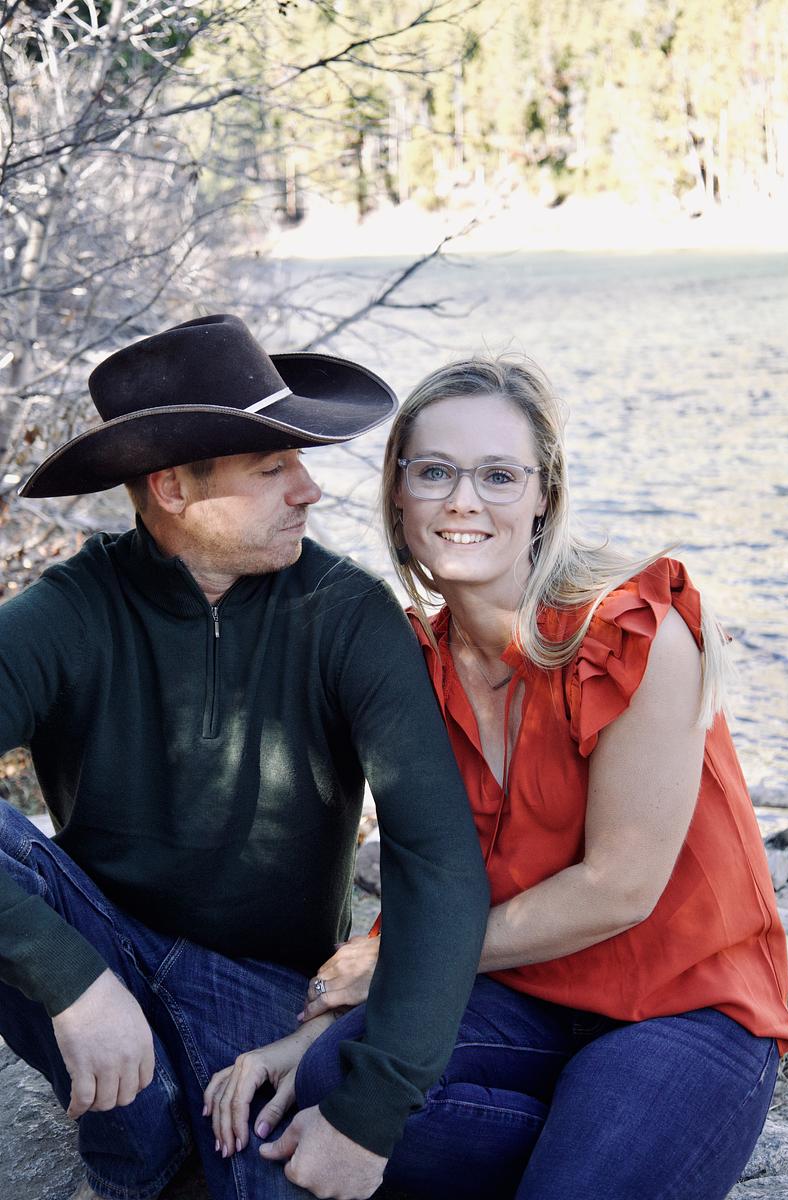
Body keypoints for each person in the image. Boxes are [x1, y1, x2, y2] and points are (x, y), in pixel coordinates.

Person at [215, 355, 788, 1200]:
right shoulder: (413, 667)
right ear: (398, 494)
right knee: (334, 1079)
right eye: (434, 472)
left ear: (543, 497)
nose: (463, 501)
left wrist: (392, 965)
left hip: (687, 1004)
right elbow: (434, 873)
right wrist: (305, 1041)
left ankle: (633, 1138)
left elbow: (618, 888)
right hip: (522, 998)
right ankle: (604, 1142)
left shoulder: (630, 629)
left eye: (498, 475)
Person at [0, 315, 489, 1200]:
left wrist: (371, 1110)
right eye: (271, 469)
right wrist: (71, 979)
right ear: (171, 489)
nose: (309, 489)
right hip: (107, 955)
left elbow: (439, 865)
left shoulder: (347, 614)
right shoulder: (73, 609)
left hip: (267, 1003)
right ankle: (141, 1130)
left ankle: (161, 1138)